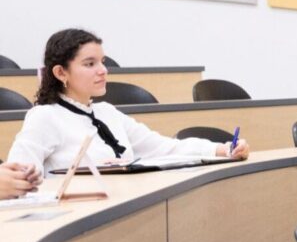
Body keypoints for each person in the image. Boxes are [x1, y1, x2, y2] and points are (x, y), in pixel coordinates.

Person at [6, 29, 249, 173]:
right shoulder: (45, 116)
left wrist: (221, 149)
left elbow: (165, 148)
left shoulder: (107, 113)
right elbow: (19, 174)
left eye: (102, 62)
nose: (103, 70)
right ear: (61, 73)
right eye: (90, 64)